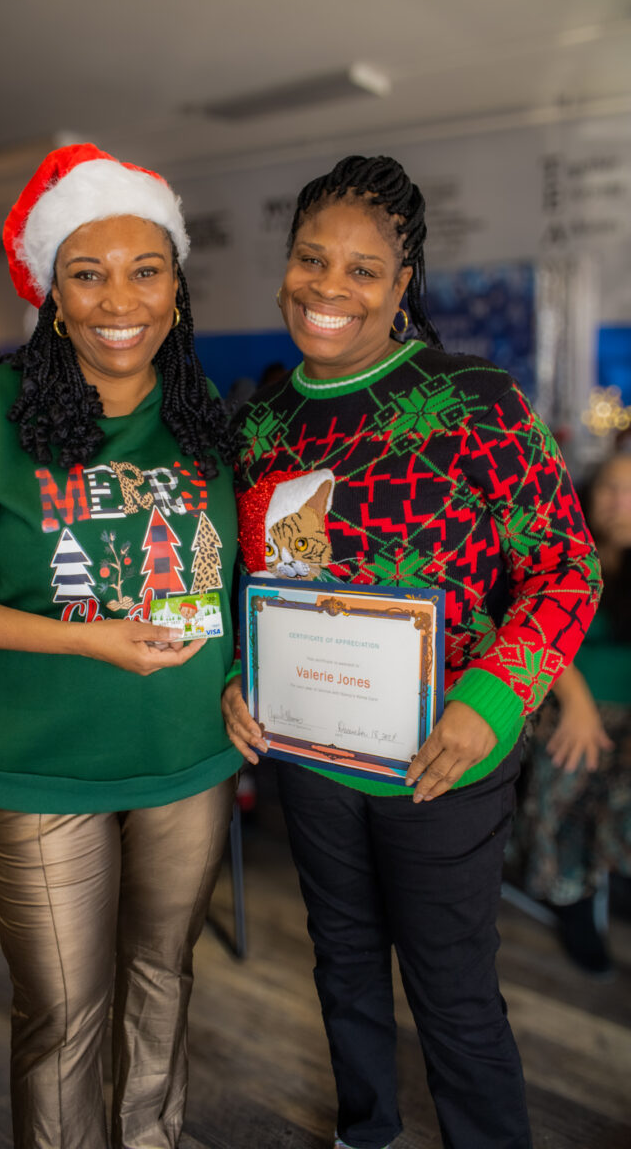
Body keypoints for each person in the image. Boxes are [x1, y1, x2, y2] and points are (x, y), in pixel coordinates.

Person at [221, 155, 602, 1149]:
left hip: (445, 758)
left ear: (401, 286)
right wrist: (238, 679)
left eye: (361, 269)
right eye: (312, 259)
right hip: (310, 752)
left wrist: (493, 701)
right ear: (287, 266)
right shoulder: (263, 424)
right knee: (341, 959)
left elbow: (566, 568)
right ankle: (366, 1131)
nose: (329, 288)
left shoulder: (478, 401)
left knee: (452, 988)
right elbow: (251, 589)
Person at [0, 143, 241, 1149]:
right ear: (52, 291)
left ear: (177, 287)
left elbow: (243, 578)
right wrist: (88, 642)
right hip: (36, 768)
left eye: (146, 270)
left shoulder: (205, 423)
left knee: (163, 982)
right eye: (87, 273)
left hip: (186, 757)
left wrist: (247, 677)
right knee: (64, 1019)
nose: (117, 298)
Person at [516, 452, 631, 976]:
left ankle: (611, 868)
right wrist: (579, 703)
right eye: (609, 486)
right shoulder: (564, 553)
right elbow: (532, 627)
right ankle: (572, 893)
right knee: (572, 760)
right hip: (566, 699)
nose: (619, 501)